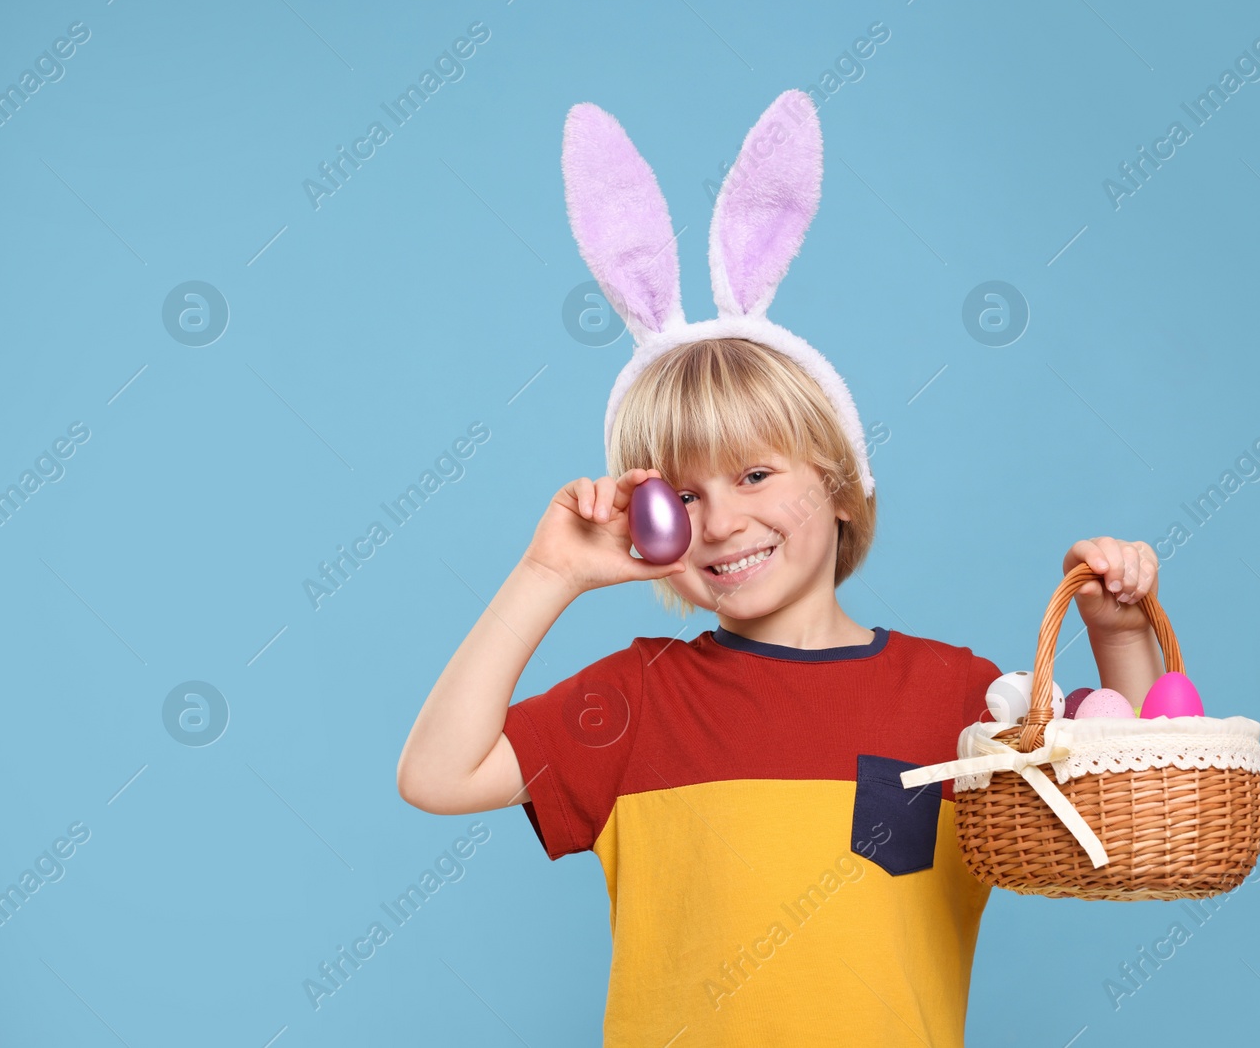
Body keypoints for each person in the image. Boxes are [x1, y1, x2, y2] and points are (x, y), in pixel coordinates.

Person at [397, 90, 1165, 1046]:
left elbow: (1125, 822)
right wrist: (548, 573)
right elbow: (435, 773)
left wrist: (1120, 633)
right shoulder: (633, 699)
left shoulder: (958, 696)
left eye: (756, 473)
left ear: (842, 486)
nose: (722, 520)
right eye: (682, 497)